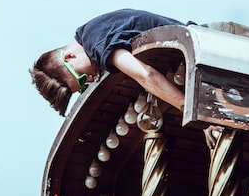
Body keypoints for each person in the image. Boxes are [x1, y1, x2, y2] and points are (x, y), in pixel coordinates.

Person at [29, 8, 186, 117]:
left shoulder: (97, 46)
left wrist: (191, 110)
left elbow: (145, 75)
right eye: (83, 86)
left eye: (82, 78)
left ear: (70, 57)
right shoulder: (90, 31)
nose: (90, 80)